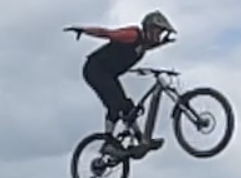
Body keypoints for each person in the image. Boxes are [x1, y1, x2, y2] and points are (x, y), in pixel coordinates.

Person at [66, 10, 175, 153]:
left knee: (127, 107)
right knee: (115, 106)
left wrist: (163, 43)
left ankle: (142, 140)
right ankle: (108, 143)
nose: (158, 36)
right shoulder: (133, 35)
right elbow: (107, 33)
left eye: (160, 33)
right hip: (94, 69)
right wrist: (85, 30)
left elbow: (149, 45)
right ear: (149, 28)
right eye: (158, 32)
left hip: (108, 74)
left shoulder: (143, 46)